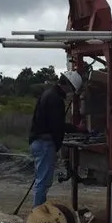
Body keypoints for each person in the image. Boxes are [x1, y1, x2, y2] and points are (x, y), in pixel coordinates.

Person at [28, 70, 85, 208]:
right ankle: (38, 217)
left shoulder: (47, 94)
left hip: (38, 141)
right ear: (68, 85)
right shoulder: (55, 99)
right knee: (43, 181)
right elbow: (57, 125)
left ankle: (38, 213)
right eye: (72, 90)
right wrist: (77, 129)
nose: (70, 93)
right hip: (44, 143)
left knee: (42, 180)